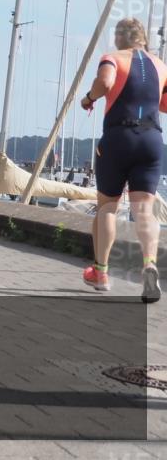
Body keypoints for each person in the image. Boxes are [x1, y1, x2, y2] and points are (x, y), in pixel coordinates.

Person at [79, 17, 166, 303]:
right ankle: (150, 263)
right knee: (144, 210)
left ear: (120, 37)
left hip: (118, 138)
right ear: (142, 38)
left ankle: (101, 273)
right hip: (151, 140)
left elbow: (105, 82)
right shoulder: (160, 66)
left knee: (108, 207)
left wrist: (89, 98)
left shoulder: (113, 58)